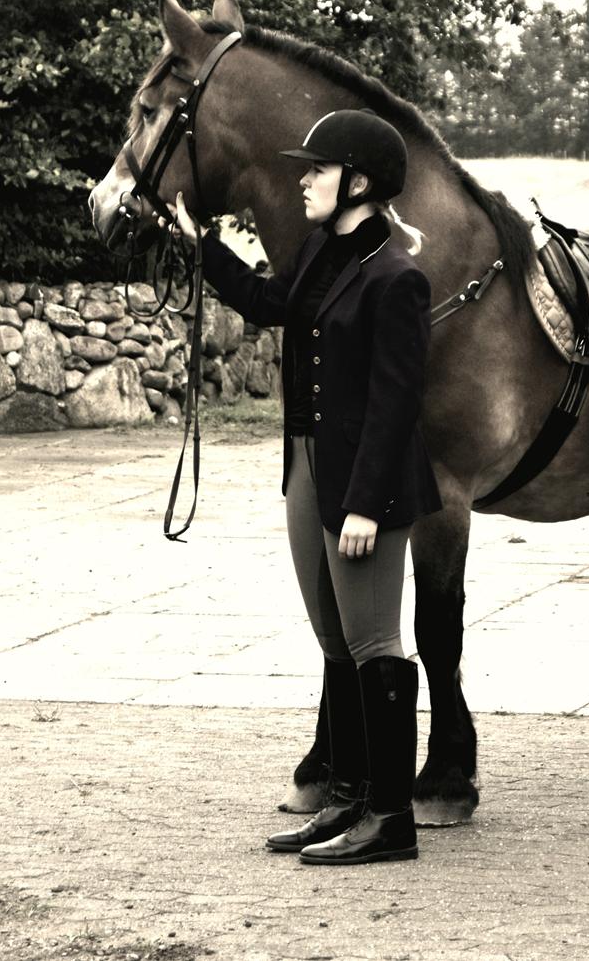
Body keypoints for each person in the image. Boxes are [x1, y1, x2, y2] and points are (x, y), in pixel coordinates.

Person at [165, 108, 441, 865]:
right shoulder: (325, 250)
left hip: (361, 481)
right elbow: (272, 305)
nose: (304, 179)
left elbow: (396, 405)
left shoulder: (398, 277)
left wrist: (364, 503)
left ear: (358, 181)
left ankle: (392, 818)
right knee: (333, 639)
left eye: (317, 169)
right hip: (307, 464)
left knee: (376, 641)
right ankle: (348, 798)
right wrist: (203, 247)